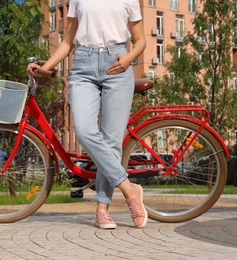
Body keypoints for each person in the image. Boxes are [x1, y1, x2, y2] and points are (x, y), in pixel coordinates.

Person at [27, 0, 147, 229]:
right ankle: (130, 190)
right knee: (84, 130)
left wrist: (129, 59)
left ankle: (102, 209)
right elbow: (67, 42)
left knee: (111, 140)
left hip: (118, 62)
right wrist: (48, 66)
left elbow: (141, 40)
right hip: (83, 65)